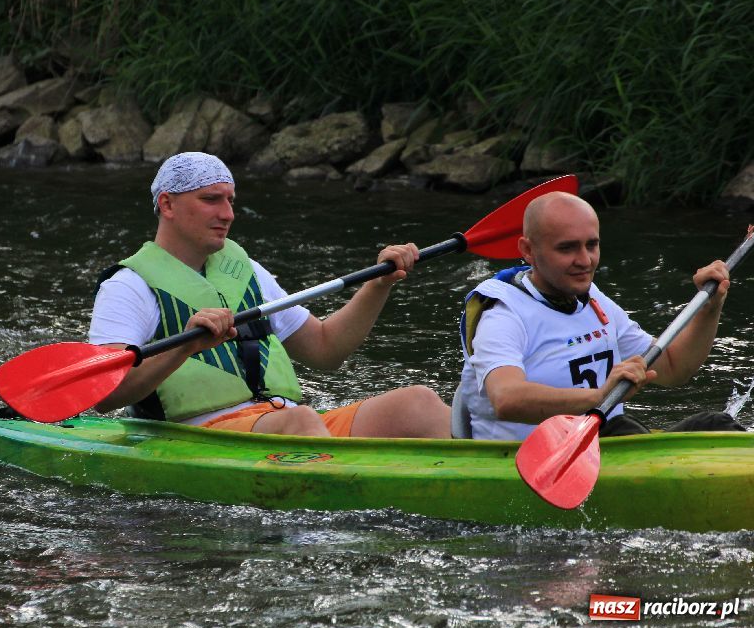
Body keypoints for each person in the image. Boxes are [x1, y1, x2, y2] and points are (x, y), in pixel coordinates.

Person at [88, 151, 450, 438]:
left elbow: (326, 349)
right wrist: (184, 347)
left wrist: (379, 284)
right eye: (211, 199)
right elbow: (105, 395)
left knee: (417, 403)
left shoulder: (245, 271)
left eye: (230, 200)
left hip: (283, 424)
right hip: (199, 436)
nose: (228, 214)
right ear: (167, 205)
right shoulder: (128, 286)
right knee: (301, 421)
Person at [456, 190, 744, 440]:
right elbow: (506, 398)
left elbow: (673, 367)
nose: (585, 260)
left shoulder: (592, 298)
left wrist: (710, 307)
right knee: (619, 426)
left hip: (604, 444)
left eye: (591, 245)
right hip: (529, 459)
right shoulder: (501, 313)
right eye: (567, 248)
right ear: (528, 250)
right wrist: (598, 397)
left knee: (716, 425)